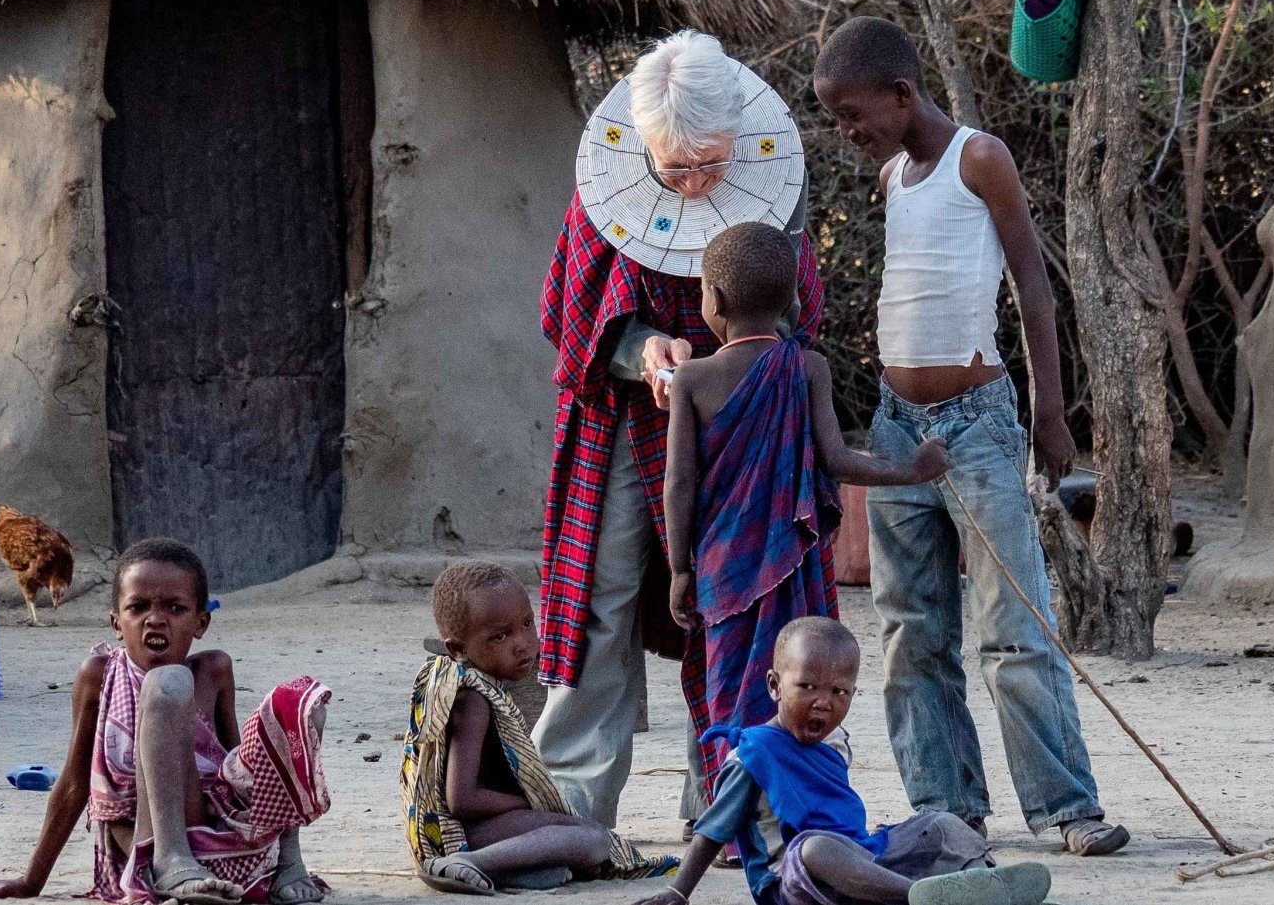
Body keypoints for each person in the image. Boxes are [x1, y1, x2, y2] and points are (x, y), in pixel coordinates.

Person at [811, 16, 1128, 856]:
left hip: (978, 424)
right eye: (837, 119)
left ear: (902, 93)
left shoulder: (978, 157)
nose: (849, 132)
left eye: (854, 114)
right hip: (894, 428)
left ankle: (1066, 808)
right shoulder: (892, 178)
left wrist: (1052, 414)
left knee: (1011, 625)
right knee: (909, 627)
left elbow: (1031, 286)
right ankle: (947, 804)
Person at [538, 27, 826, 834]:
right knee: (604, 596)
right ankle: (571, 806)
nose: (695, 181)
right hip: (623, 420)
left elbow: (796, 309)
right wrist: (642, 349)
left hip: (743, 423)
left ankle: (733, 802)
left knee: (733, 604)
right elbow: (565, 314)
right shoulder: (605, 183)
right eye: (676, 166)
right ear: (643, 149)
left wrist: (719, 364)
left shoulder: (778, 179)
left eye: (711, 161)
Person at [663, 221, 952, 791]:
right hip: (789, 561)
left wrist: (679, 567)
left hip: (723, 568)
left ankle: (735, 818)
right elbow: (838, 461)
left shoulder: (691, 378)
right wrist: (909, 470)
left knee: (728, 688)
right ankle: (788, 805)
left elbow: (679, 483)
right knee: (790, 680)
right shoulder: (806, 366)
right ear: (794, 300)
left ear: (712, 300)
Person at [0, 539, 332, 905]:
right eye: (137, 608)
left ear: (200, 622)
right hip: (147, 848)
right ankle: (173, 860)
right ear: (117, 623)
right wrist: (30, 880)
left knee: (298, 703)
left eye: (175, 608)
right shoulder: (99, 675)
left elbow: (243, 772)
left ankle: (288, 865)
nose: (155, 619)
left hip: (223, 845)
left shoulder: (214, 672)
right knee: (167, 682)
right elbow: (74, 784)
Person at [631, 618, 1052, 905]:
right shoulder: (753, 754)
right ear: (775, 686)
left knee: (940, 823)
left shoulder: (832, 749)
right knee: (814, 846)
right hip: (792, 884)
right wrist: (680, 892)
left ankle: (978, 884)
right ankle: (918, 895)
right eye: (808, 686)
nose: (823, 702)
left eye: (839, 692)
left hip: (859, 863)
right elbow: (710, 832)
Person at [400, 561, 676, 894]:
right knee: (591, 840)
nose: (523, 643)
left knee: (570, 845)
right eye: (501, 635)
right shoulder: (471, 700)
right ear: (458, 649)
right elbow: (461, 800)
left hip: (488, 826)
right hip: (463, 833)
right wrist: (528, 800)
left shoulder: (479, 685)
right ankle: (471, 864)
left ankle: (509, 870)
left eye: (528, 624)